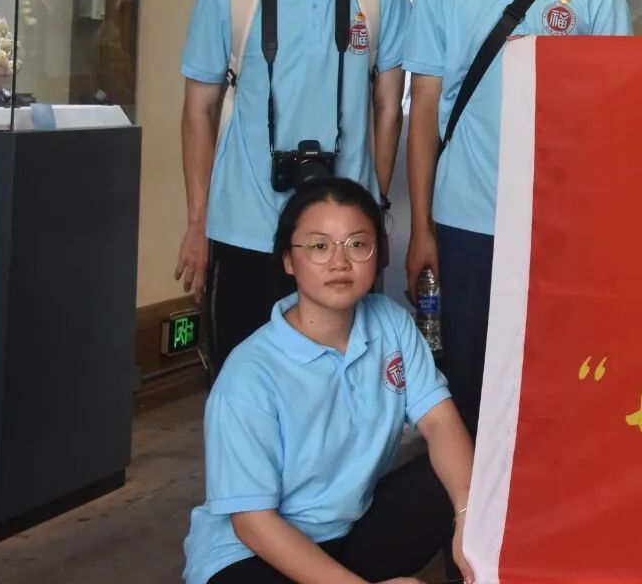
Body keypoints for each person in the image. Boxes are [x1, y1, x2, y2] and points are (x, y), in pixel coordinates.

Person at [405, 0, 631, 431]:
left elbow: (615, 121)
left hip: (563, 225)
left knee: (560, 377)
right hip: (465, 220)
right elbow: (423, 111)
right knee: (470, 377)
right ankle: (473, 493)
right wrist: (421, 226)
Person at [177, 0, 411, 370]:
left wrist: (375, 202)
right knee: (242, 380)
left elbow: (388, 107)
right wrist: (197, 223)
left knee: (344, 381)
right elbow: (198, 111)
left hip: (343, 236)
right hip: (244, 227)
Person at [182, 178, 474, 584]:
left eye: (357, 244)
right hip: (252, 554)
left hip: (347, 533)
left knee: (453, 480)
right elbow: (253, 523)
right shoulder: (249, 373)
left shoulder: (390, 322)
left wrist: (466, 516)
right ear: (288, 260)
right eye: (319, 246)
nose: (340, 262)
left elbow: (440, 422)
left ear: (378, 252)